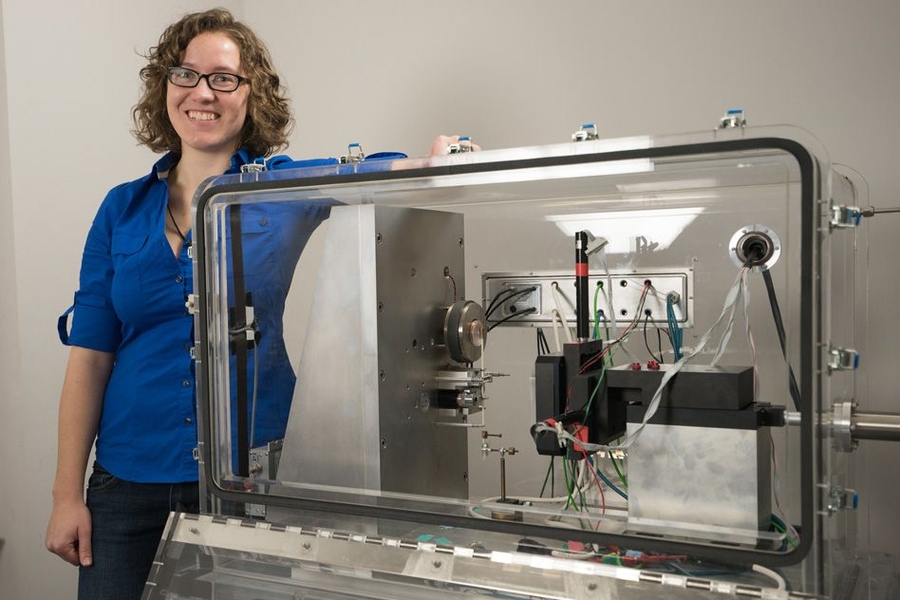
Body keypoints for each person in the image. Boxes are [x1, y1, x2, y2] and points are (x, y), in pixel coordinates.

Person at [44, 8, 474, 600]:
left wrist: (433, 161)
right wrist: (67, 496)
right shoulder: (120, 209)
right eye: (186, 75)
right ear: (164, 89)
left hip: (250, 476)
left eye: (224, 78)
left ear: (253, 95)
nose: (203, 93)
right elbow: (90, 356)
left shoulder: (279, 189)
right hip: (127, 482)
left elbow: (359, 173)